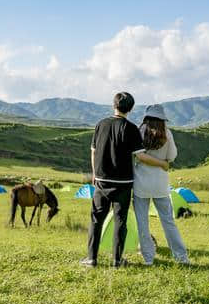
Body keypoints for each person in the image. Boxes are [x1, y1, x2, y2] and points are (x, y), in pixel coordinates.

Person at [81, 92, 168, 268]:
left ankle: (91, 259)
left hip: (101, 181)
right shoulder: (131, 128)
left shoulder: (101, 124)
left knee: (96, 220)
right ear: (131, 108)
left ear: (114, 105)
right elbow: (141, 157)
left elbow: (93, 151)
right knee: (120, 221)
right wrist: (162, 164)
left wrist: (94, 175)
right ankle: (117, 261)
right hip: (123, 183)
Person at [133, 105, 189, 266]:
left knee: (142, 223)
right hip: (160, 184)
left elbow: (136, 156)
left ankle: (148, 258)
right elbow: (172, 156)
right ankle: (181, 257)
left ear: (146, 117)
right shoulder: (167, 133)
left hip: (141, 183)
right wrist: (162, 163)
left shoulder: (139, 131)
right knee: (168, 222)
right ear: (162, 118)